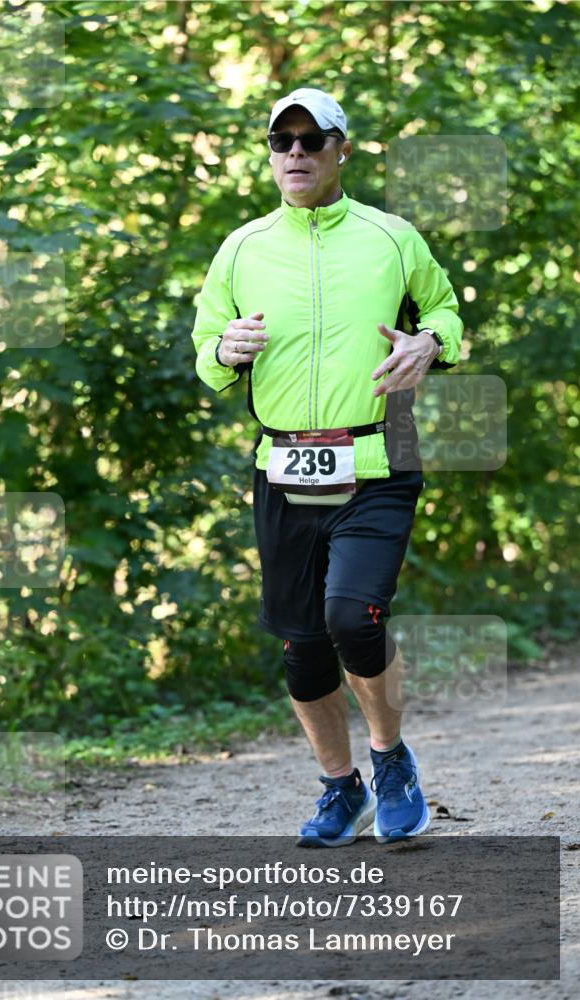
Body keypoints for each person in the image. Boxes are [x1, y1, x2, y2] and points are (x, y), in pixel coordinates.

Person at [191, 87, 463, 846]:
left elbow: (445, 310)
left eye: (313, 140)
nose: (297, 154)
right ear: (270, 155)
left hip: (377, 456)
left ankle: (390, 762)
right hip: (282, 466)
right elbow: (207, 347)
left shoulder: (390, 236)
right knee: (302, 642)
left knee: (353, 614)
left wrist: (428, 342)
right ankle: (339, 789)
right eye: (283, 142)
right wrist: (222, 352)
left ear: (343, 148)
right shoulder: (242, 247)